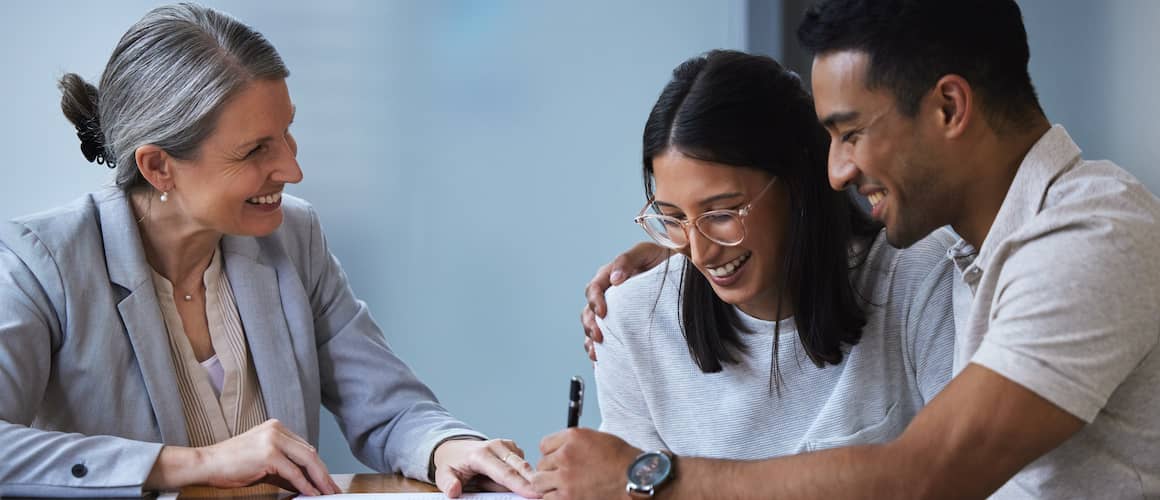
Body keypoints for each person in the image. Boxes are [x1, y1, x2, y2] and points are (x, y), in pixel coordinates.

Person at [549, 0, 1160, 498]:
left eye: (852, 133)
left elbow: (926, 475)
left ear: (949, 107)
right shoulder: (993, 252)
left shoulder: (1089, 235)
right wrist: (698, 242)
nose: (837, 170)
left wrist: (647, 476)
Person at [0, 4, 535, 498]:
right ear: (158, 166)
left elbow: (389, 407)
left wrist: (447, 447)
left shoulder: (293, 237)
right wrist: (193, 463)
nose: (293, 170)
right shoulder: (41, 263)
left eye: (287, 133)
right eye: (257, 149)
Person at [578, 49, 956, 472]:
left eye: (721, 214)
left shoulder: (921, 278)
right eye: (674, 218)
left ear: (798, 181)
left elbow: (968, 478)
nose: (700, 253)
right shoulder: (631, 321)